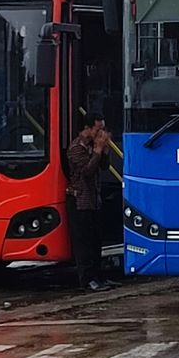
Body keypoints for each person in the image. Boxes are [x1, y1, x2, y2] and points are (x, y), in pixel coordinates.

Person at [66, 112, 114, 292]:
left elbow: (104, 167)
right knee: (83, 243)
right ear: (87, 129)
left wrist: (105, 151)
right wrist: (98, 151)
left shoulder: (95, 146)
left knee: (96, 242)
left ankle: (98, 276)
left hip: (94, 200)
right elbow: (87, 171)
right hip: (80, 200)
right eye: (98, 129)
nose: (100, 133)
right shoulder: (76, 148)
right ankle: (86, 279)